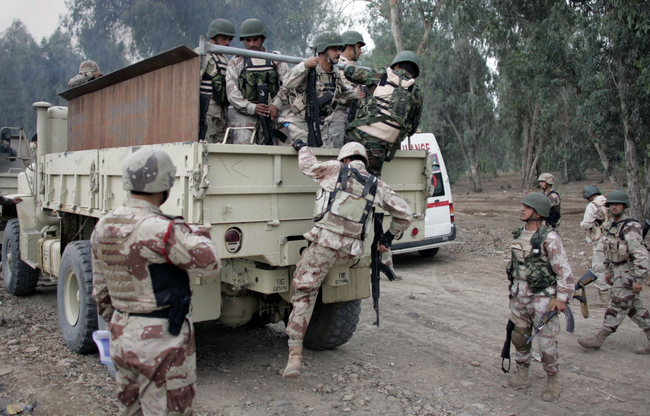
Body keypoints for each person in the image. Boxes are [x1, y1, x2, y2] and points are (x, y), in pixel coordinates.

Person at [91, 148, 220, 415]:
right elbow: (210, 264)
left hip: (120, 332)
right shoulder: (158, 228)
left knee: (131, 409)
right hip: (160, 339)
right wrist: (196, 232)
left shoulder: (103, 225)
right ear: (166, 185)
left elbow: (101, 291)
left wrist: (118, 323)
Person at [281, 140, 413, 378]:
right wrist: (388, 237)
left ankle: (294, 357)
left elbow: (308, 166)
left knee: (304, 293)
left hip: (324, 246)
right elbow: (405, 214)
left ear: (345, 159)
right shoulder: (376, 184)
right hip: (350, 252)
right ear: (363, 160)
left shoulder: (335, 168)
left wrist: (302, 147)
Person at [503, 193, 574, 402]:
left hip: (542, 299)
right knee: (519, 338)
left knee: (546, 344)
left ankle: (553, 380)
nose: (522, 209)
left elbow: (564, 273)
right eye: (523, 206)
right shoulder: (519, 234)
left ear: (538, 212)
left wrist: (561, 299)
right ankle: (522, 375)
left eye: (527, 207)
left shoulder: (550, 239)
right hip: (519, 295)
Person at [577, 190, 650, 355]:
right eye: (611, 204)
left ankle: (599, 337)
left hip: (628, 273)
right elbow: (609, 251)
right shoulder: (610, 226)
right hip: (617, 272)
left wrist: (638, 278)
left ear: (624, 206)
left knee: (617, 304)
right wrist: (608, 271)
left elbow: (641, 256)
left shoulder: (631, 227)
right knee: (634, 308)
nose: (614, 207)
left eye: (617, 204)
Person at [343, 50, 423, 176]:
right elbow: (412, 128)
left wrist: (347, 65)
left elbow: (350, 73)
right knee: (370, 184)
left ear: (396, 66)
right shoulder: (416, 93)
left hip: (355, 137)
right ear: (413, 74)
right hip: (379, 147)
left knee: (344, 176)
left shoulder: (382, 75)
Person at [278, 31, 361, 144]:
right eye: (334, 49)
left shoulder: (334, 72)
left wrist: (356, 94)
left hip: (321, 124)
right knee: (303, 150)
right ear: (323, 50)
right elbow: (287, 83)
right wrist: (304, 66)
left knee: (324, 155)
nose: (338, 53)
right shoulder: (308, 67)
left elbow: (343, 90)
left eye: (339, 49)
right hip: (300, 122)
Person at [225, 19, 289, 144]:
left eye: (255, 39)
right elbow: (232, 93)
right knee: (244, 157)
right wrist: (252, 107)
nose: (252, 44)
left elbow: (288, 83)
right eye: (248, 40)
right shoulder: (236, 62)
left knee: (273, 156)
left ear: (262, 39)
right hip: (245, 117)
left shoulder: (275, 59)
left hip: (270, 114)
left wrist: (276, 104)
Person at [322, 30, 366, 148]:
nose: (361, 51)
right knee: (336, 152)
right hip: (338, 117)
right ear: (350, 47)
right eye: (359, 47)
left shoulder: (354, 68)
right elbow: (338, 93)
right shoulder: (337, 66)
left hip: (352, 117)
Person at [197, 19, 235, 143]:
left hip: (222, 116)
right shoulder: (203, 53)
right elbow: (192, 84)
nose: (227, 42)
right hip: (206, 115)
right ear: (214, 36)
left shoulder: (224, 58)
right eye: (224, 38)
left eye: (229, 39)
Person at [580, 185, 610, 301]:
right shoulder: (611, 202)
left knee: (599, 266)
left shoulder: (592, 206)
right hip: (616, 239)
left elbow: (586, 224)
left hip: (601, 239)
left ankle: (604, 293)